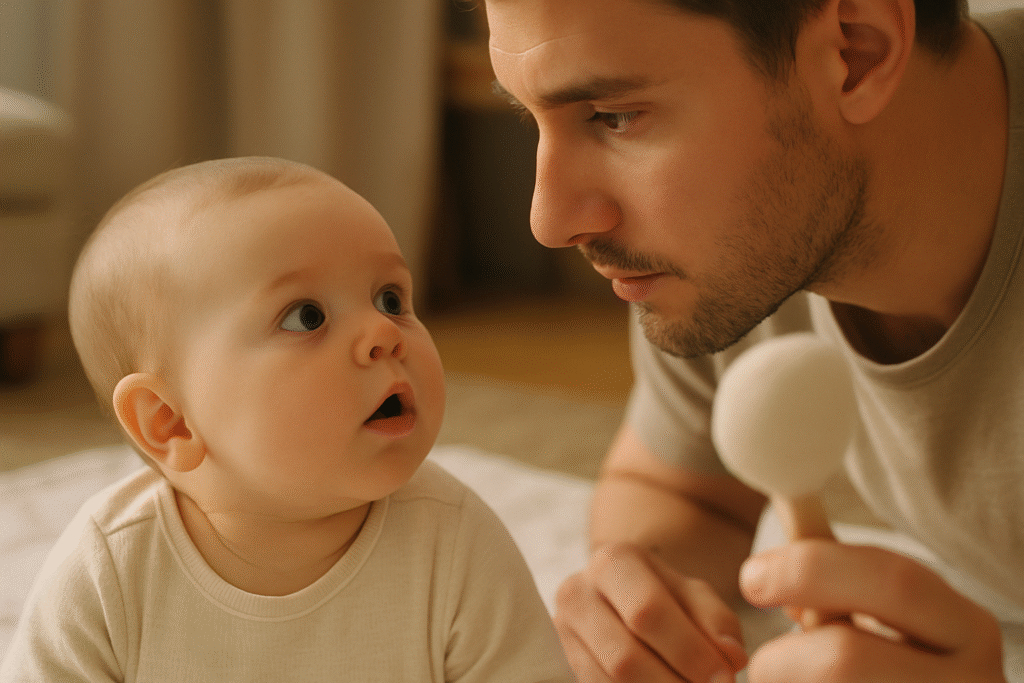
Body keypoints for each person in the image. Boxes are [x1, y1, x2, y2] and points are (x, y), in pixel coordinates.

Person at [485, 0, 1022, 680]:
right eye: (532, 119)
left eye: (614, 116)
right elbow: (684, 491)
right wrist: (645, 610)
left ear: (856, 53)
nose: (550, 218)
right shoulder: (738, 252)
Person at [0, 157, 573, 682]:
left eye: (391, 299)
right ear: (169, 422)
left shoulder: (454, 540)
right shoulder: (113, 569)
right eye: (307, 317)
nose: (383, 335)